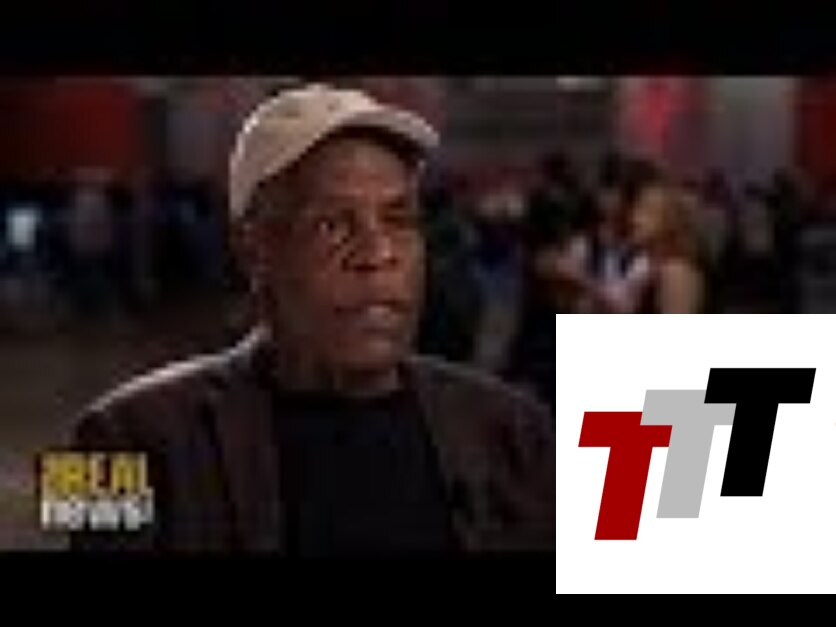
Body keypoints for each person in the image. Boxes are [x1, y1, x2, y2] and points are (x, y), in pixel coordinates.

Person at [69, 83, 555, 553]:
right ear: (252, 249)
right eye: (332, 224)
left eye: (398, 220)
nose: (377, 253)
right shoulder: (112, 439)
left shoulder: (519, 430)